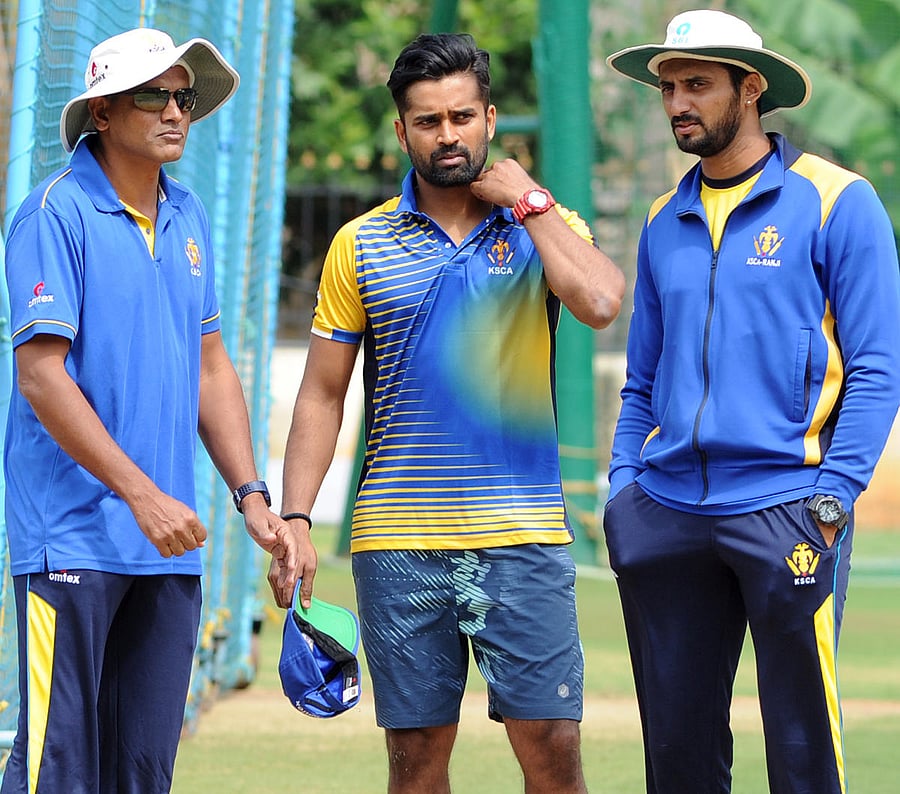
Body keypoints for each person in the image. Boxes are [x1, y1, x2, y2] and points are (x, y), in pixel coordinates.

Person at [279, 32, 625, 794]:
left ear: (490, 119)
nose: (447, 135)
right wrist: (296, 519)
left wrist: (529, 202)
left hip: (523, 533)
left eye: (462, 117)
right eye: (428, 121)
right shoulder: (358, 243)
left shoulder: (543, 225)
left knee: (552, 750)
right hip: (396, 540)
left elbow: (601, 302)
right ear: (402, 131)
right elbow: (322, 393)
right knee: (416, 758)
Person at [1, 28, 308, 793]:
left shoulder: (190, 214)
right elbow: (41, 377)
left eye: (184, 96)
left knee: (143, 772)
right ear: (102, 111)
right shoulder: (53, 213)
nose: (176, 112)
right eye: (153, 95)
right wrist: (141, 494)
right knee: (54, 767)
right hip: (69, 540)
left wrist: (252, 496)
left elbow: (211, 369)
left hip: (170, 547)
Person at [602, 9, 900, 793]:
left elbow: (876, 367)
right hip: (663, 513)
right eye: (667, 87)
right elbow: (642, 381)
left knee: (803, 756)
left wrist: (832, 499)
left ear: (751, 88)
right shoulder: (665, 219)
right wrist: (622, 491)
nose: (676, 103)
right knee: (678, 759)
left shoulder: (840, 202)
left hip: (788, 509)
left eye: (696, 84)